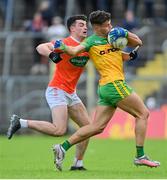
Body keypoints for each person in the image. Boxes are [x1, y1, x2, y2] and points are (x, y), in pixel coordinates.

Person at [52, 10, 160, 170]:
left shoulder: (114, 36)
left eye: (110, 23)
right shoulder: (90, 42)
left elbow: (138, 42)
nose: (110, 26)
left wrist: (125, 34)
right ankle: (140, 156)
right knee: (143, 114)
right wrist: (62, 46)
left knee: (97, 127)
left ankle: (62, 147)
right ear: (97, 27)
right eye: (106, 25)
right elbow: (74, 51)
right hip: (114, 84)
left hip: (106, 88)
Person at [7, 15, 90, 171]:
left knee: (87, 128)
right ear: (72, 28)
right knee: (59, 130)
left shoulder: (87, 46)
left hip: (71, 93)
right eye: (81, 25)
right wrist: (52, 55)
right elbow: (40, 47)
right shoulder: (64, 43)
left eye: (85, 25)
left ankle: (77, 164)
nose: (85, 27)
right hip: (57, 90)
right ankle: (20, 122)